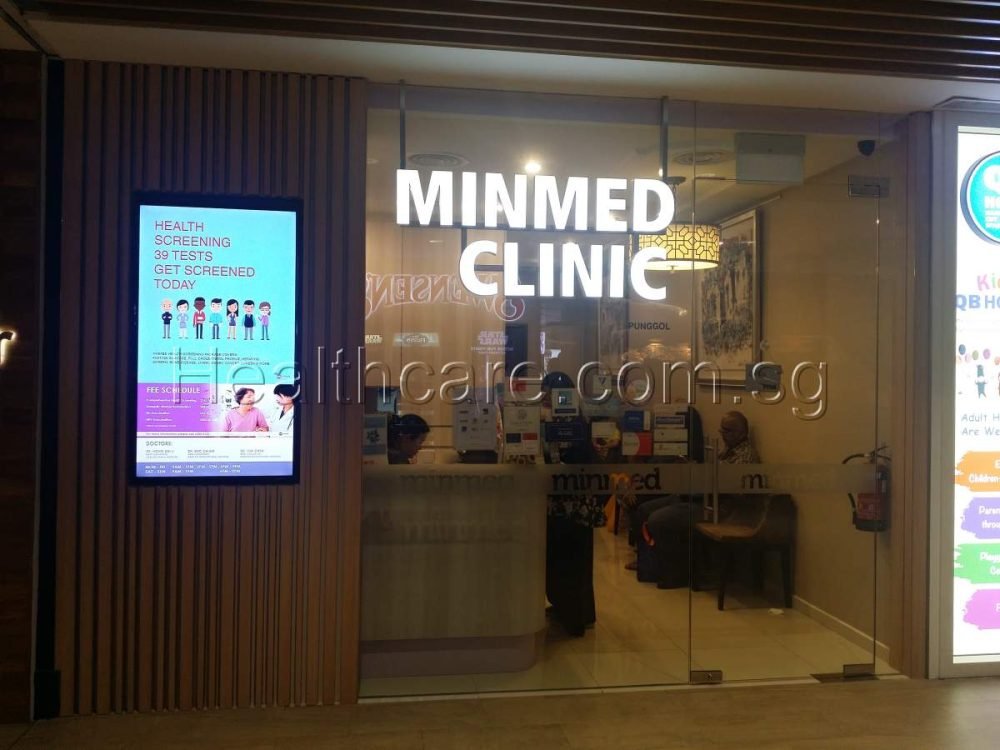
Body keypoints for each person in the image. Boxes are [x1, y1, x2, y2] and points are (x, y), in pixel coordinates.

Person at [642, 410, 759, 588]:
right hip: (705, 499)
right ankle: (652, 568)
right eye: (722, 430)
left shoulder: (745, 456)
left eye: (728, 431)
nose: (723, 435)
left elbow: (729, 488)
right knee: (645, 509)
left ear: (742, 433)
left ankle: (676, 574)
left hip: (721, 508)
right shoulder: (729, 449)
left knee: (659, 519)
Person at [541, 371, 604, 637]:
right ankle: (577, 613)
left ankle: (573, 618)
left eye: (547, 393)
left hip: (568, 503)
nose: (544, 398)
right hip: (578, 501)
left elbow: (559, 459)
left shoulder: (563, 420)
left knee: (566, 560)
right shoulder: (576, 417)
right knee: (577, 561)